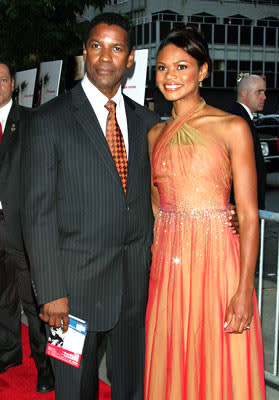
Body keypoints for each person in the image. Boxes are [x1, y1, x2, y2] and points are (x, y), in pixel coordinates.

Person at [20, 13, 160, 400]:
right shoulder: (48, 120)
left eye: (116, 49)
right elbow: (37, 214)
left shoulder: (148, 122)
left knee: (132, 389)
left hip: (134, 290)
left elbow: (156, 197)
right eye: (96, 46)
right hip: (72, 293)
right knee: (74, 392)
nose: (105, 57)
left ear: (129, 58)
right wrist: (50, 292)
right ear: (84, 52)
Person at [144, 27, 266, 399]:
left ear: (203, 71)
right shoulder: (154, 136)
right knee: (173, 357)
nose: (170, 77)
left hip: (218, 263)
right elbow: (156, 205)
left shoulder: (231, 127)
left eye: (182, 66)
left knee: (218, 356)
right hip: (171, 265)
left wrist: (245, 288)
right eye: (163, 68)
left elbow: (247, 214)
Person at [0, 60, 54, 393]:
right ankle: (7, 357)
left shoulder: (32, 122)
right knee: (1, 302)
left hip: (23, 230)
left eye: (2, 79)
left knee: (35, 304)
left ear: (13, 85)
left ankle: (45, 366)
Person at [229, 74, 266, 209]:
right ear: (244, 94)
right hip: (243, 207)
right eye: (259, 92)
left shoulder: (242, 118)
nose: (264, 97)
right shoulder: (238, 120)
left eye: (264, 92)